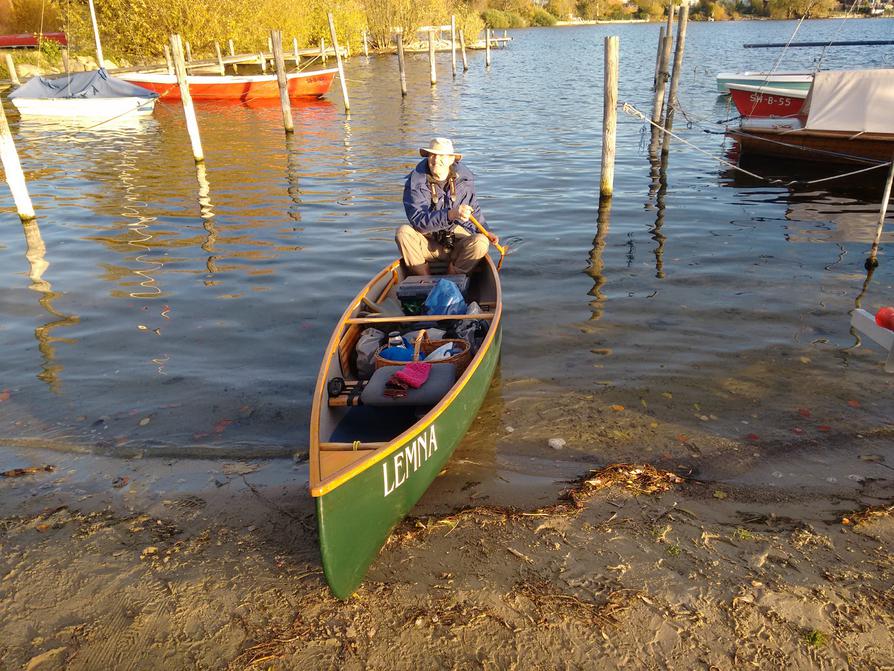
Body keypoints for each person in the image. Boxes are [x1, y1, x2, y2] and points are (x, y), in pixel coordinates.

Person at [397, 137, 498, 276]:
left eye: (441, 156)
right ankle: (424, 278)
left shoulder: (464, 180)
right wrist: (450, 214)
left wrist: (486, 231)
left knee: (481, 242)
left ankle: (454, 275)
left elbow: (474, 209)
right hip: (428, 243)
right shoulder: (415, 183)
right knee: (403, 232)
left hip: (457, 245)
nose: (436, 160)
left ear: (451, 159)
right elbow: (419, 222)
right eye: (432, 155)